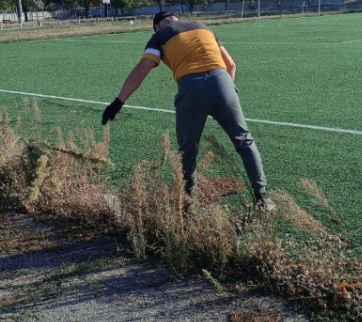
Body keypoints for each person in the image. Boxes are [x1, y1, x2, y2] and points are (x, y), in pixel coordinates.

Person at [102, 11, 272, 209]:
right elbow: (231, 66)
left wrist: (118, 102)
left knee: (188, 150)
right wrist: (226, 93)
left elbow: (142, 69)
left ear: (157, 26)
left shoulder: (159, 36)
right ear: (176, 19)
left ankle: (189, 204)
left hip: (191, 88)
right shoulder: (203, 27)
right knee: (244, 141)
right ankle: (262, 197)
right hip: (223, 82)